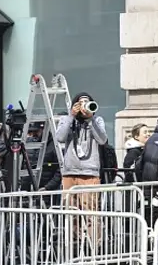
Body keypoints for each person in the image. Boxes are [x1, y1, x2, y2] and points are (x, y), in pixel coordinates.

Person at [55, 92, 108, 249]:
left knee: (91, 213)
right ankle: (74, 247)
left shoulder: (97, 120)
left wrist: (91, 119)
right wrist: (71, 115)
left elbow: (102, 139)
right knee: (71, 213)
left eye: (87, 102)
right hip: (70, 173)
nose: (84, 105)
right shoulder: (66, 120)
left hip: (89, 172)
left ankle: (95, 248)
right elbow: (60, 137)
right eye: (81, 102)